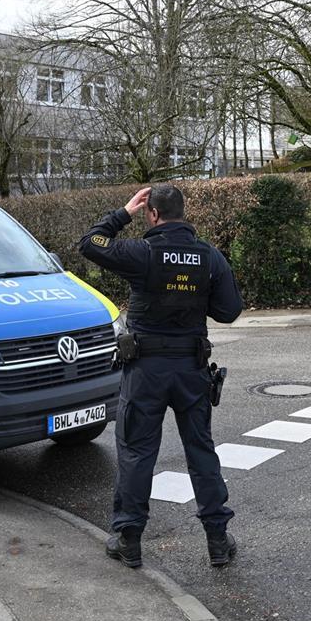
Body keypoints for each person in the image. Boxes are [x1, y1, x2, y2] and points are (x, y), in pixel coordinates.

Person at [78, 183, 244, 568]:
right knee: (201, 452)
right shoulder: (209, 257)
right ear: (183, 213)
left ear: (151, 213)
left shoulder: (142, 252)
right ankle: (218, 540)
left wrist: (123, 212)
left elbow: (90, 243)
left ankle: (129, 540)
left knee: (137, 453)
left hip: (146, 371)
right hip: (191, 370)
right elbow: (228, 311)